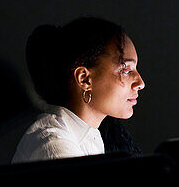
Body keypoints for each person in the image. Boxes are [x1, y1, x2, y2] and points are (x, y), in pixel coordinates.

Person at [13, 17, 145, 163]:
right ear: (84, 79)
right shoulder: (54, 146)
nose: (140, 83)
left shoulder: (89, 138)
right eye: (126, 70)